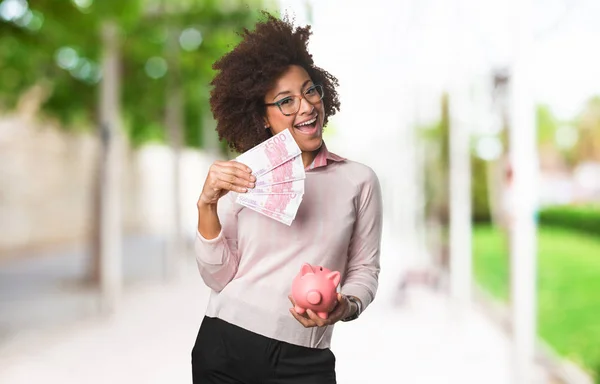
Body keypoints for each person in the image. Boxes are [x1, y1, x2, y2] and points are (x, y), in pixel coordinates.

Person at [192, 13, 383, 384]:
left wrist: (346, 305)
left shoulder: (359, 181)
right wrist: (207, 205)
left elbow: (365, 270)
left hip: (305, 358)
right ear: (263, 118)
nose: (306, 107)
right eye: (286, 101)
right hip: (226, 342)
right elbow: (217, 277)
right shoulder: (244, 175)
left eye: (310, 91)